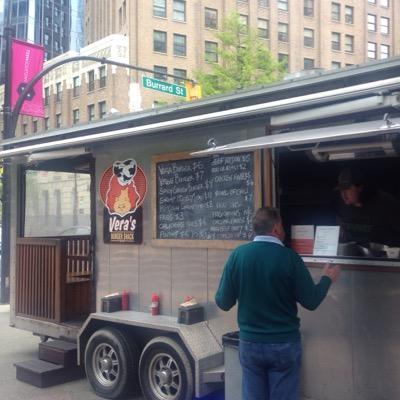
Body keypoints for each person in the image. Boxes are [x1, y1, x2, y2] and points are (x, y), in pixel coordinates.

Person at [215, 207, 340, 400]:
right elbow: (311, 301)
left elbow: (223, 302)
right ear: (276, 228)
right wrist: (327, 279)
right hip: (284, 345)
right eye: (282, 225)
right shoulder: (289, 258)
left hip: (249, 343)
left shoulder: (238, 256)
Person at [335, 167, 400, 247]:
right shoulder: (341, 206)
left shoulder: (387, 204)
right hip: (350, 256)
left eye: (347, 189)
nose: (343, 195)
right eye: (341, 190)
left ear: (360, 188)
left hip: (385, 257)